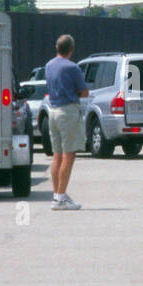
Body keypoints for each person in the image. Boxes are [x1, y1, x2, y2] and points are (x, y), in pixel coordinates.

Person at [44, 34, 88, 210]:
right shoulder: (72, 67)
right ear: (72, 49)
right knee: (69, 155)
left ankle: (57, 195)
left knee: (57, 155)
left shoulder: (49, 65)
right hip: (67, 111)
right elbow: (84, 92)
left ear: (57, 48)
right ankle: (61, 198)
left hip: (52, 110)